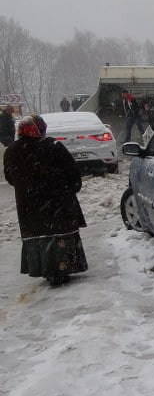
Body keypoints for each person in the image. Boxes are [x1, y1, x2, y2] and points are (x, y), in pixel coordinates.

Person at [3, 115, 88, 286]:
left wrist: (27, 188)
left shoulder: (11, 150)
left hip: (29, 207)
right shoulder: (52, 146)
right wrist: (72, 187)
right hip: (58, 203)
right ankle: (63, 267)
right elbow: (72, 171)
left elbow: (10, 178)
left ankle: (43, 267)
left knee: (39, 235)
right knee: (59, 233)